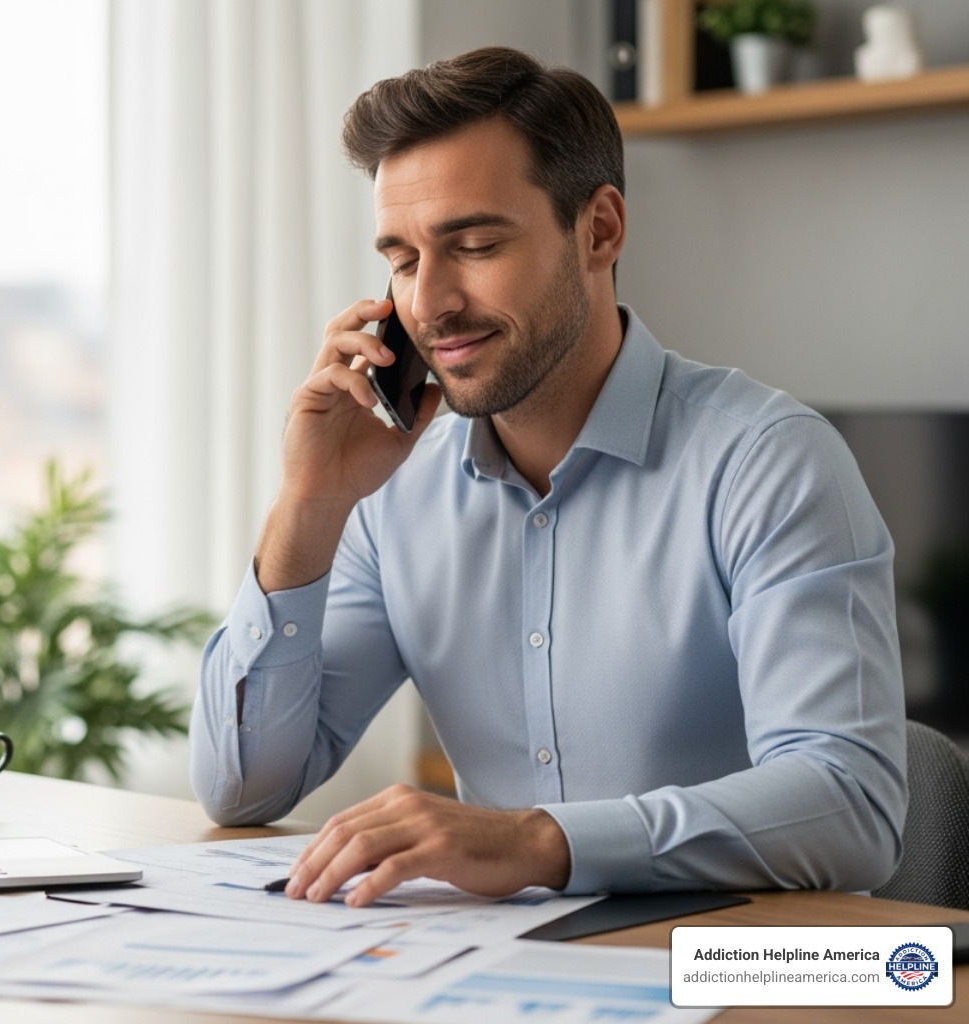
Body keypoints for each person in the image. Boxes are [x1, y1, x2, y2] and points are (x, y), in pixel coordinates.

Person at [189, 47, 906, 907]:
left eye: (476, 244)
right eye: (405, 260)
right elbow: (243, 789)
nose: (430, 303)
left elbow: (850, 807)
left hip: (737, 975)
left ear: (599, 230)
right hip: (501, 977)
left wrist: (536, 840)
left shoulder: (770, 464)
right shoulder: (396, 496)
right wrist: (310, 504)